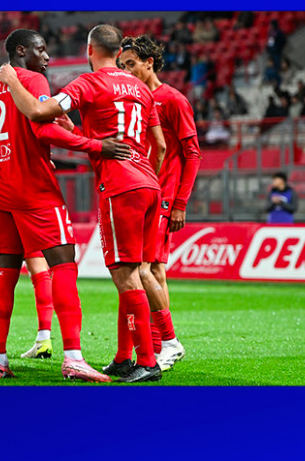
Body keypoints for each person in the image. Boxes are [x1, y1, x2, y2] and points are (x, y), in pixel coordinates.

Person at [0, 24, 165, 383]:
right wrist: (76, 132)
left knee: (126, 276)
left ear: (90, 50)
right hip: (149, 183)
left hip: (120, 186)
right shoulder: (141, 87)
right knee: (135, 272)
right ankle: (125, 357)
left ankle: (148, 361)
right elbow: (158, 145)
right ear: (119, 52)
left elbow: (38, 113)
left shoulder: (88, 84)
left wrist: (11, 81)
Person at [0, 28, 129, 381]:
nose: (46, 57)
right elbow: (43, 128)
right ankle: (73, 357)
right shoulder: (32, 81)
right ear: (21, 50)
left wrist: (8, 156)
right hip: (35, 189)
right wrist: (96, 145)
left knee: (4, 273)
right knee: (63, 265)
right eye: (40, 50)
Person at [119, 35, 202, 371]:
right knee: (154, 270)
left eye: (131, 64)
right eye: (122, 65)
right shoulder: (135, 100)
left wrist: (180, 203)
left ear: (149, 63)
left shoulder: (173, 100)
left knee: (143, 269)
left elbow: (192, 154)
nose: (126, 71)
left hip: (164, 195)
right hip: (143, 193)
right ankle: (156, 346)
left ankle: (168, 342)